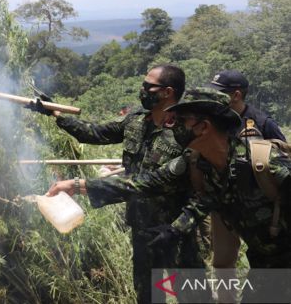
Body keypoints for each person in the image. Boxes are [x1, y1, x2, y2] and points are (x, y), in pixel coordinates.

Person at [48, 87, 291, 271]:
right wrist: (78, 185)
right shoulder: (197, 162)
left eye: (180, 121)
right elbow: (147, 183)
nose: (172, 127)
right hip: (265, 263)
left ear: (203, 127)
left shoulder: (264, 162)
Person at [28, 64, 205, 304]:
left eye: (148, 86)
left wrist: (79, 185)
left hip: (175, 231)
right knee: (148, 295)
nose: (142, 90)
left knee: (192, 296)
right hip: (142, 227)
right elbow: (94, 133)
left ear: (167, 92)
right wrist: (55, 114)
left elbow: (149, 183)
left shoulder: (186, 132)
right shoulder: (136, 121)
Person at [210, 70, 286, 141]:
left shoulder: (263, 124)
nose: (213, 97)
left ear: (236, 95)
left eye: (218, 94)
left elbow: (285, 152)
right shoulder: (210, 121)